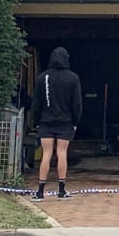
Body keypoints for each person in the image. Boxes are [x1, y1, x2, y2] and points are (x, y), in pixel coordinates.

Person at [31, 46, 82, 201]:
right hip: (65, 122)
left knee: (46, 154)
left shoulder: (43, 77)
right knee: (62, 153)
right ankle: (61, 190)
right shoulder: (73, 78)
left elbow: (36, 103)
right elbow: (77, 104)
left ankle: (40, 191)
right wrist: (75, 121)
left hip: (45, 121)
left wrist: (36, 121)